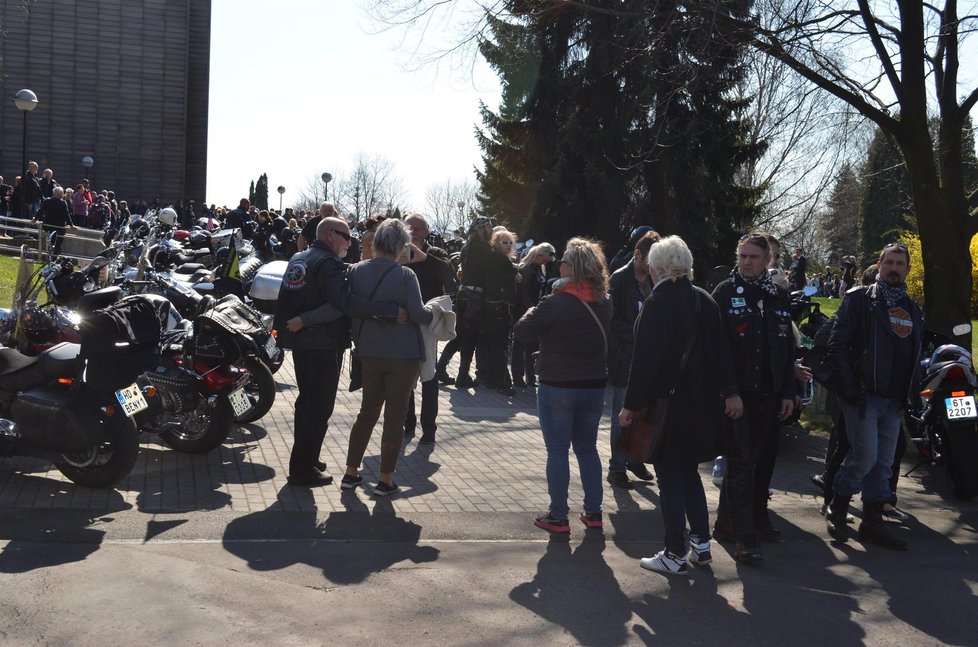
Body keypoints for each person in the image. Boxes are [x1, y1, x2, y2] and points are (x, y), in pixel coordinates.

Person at [619, 236, 734, 575]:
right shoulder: (705, 300)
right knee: (688, 475)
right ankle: (701, 544)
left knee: (669, 477)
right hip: (700, 406)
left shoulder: (659, 302)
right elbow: (721, 355)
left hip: (667, 406)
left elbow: (644, 362)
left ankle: (674, 551)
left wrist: (630, 406)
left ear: (657, 267)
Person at [273, 216, 402, 487]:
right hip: (323, 343)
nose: (350, 243)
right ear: (331, 235)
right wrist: (389, 311)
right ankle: (302, 469)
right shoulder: (328, 263)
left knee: (305, 402)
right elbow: (344, 303)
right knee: (318, 407)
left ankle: (308, 458)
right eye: (346, 237)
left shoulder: (300, 257)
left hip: (301, 342)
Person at [824, 243, 921, 550]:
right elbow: (837, 346)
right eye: (889, 262)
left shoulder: (912, 309)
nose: (894, 268)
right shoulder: (859, 300)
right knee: (864, 457)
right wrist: (850, 390)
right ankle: (837, 505)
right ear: (879, 266)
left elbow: (913, 356)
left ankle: (872, 522)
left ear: (906, 269)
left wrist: (908, 400)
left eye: (900, 263)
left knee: (883, 462)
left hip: (893, 401)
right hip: (863, 397)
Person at [514, 237, 611, 533]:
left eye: (565, 260)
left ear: (575, 267)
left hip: (558, 384)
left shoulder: (554, 302)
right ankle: (593, 512)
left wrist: (531, 310)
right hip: (594, 384)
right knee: (587, 448)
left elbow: (522, 332)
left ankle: (558, 515)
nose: (559, 263)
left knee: (557, 450)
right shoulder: (606, 302)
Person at [712, 233, 796, 563]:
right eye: (742, 255)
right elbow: (718, 350)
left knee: (755, 464)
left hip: (770, 395)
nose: (747, 262)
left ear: (767, 260)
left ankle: (728, 523)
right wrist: (730, 393)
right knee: (741, 463)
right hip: (739, 397)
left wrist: (788, 392)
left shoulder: (777, 295)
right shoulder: (725, 292)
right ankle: (745, 539)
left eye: (754, 257)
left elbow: (786, 347)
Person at [343, 219, 433, 495]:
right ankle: (385, 478)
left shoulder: (356, 270)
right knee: (396, 416)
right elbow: (419, 315)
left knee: (366, 413)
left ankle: (351, 472)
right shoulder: (406, 276)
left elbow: (351, 306)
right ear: (400, 247)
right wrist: (434, 311)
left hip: (369, 351)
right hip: (402, 354)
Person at [607, 231, 659, 489]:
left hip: (647, 360)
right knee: (623, 414)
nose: (654, 266)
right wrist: (642, 336)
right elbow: (613, 322)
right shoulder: (619, 280)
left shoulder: (654, 281)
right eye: (650, 259)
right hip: (624, 359)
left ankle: (633, 459)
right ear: (637, 255)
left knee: (642, 415)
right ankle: (616, 467)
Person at [402, 212, 455, 444]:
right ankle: (408, 424)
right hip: (403, 322)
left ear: (427, 231)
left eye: (418, 228)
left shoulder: (435, 253)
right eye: (409, 228)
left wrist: (425, 259)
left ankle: (429, 429)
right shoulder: (397, 250)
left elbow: (451, 279)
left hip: (427, 323)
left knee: (429, 376)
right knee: (405, 378)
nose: (413, 232)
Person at [452, 216, 494, 388]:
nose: (491, 230)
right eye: (488, 227)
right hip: (475, 297)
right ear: (480, 229)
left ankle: (454, 371)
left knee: (463, 335)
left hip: (464, 294)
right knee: (471, 336)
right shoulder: (483, 248)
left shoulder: (467, 247)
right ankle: (462, 375)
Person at [512, 242, 556, 388]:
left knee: (531, 346)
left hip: (533, 309)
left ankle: (530, 378)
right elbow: (523, 292)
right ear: (538, 256)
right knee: (520, 345)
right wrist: (531, 308)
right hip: (524, 311)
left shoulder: (538, 269)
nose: (545, 263)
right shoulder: (527, 269)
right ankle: (518, 378)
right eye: (544, 260)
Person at [482, 228, 519, 395]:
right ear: (496, 243)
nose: (508, 245)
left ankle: (492, 379)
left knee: (493, 344)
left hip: (494, 306)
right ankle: (504, 382)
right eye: (504, 242)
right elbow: (515, 277)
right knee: (499, 345)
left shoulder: (495, 258)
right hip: (498, 307)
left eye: (510, 242)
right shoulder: (500, 260)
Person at [36, 186, 75, 256]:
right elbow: (66, 215)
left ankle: (50, 255)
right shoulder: (63, 202)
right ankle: (56, 255)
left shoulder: (46, 201)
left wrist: (35, 219)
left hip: (49, 225)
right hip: (60, 226)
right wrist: (71, 225)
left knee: (51, 241)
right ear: (60, 193)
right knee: (58, 242)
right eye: (63, 193)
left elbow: (40, 211)